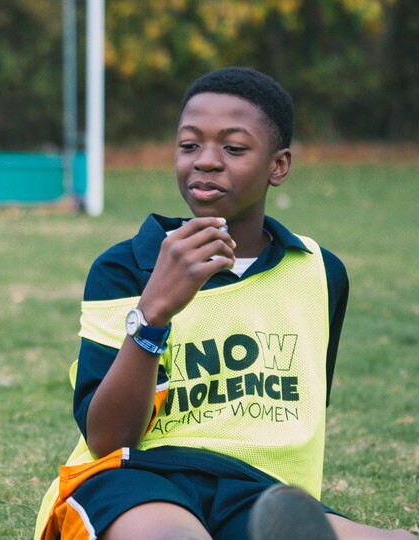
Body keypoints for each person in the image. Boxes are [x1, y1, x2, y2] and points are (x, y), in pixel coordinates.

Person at [34, 67, 416, 540]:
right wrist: (153, 313)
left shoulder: (320, 272)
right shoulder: (126, 267)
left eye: (233, 148)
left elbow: (303, 407)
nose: (206, 161)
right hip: (137, 479)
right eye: (189, 145)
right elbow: (109, 441)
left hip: (263, 496)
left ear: (279, 166)